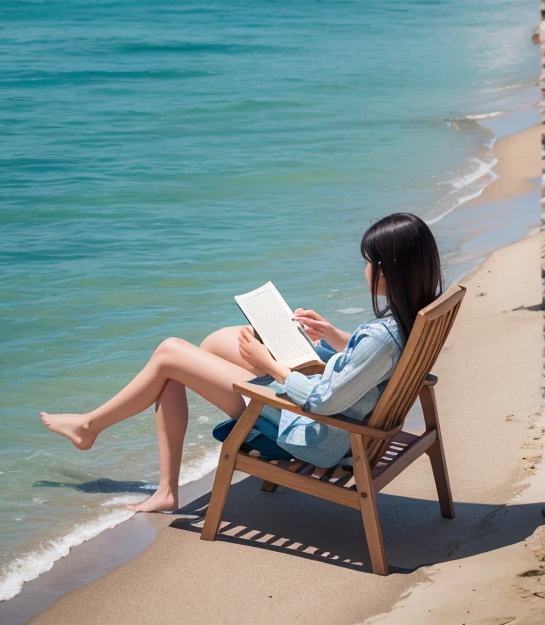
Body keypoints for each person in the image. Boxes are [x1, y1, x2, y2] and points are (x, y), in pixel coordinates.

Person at [40, 212, 442, 513]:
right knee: (216, 342)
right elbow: (369, 369)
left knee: (168, 354)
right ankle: (154, 467)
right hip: (344, 414)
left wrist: (270, 364)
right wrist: (334, 337)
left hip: (317, 432)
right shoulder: (410, 317)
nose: (365, 268)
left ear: (389, 271)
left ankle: (101, 436)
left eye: (370, 261)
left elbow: (323, 402)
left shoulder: (380, 338)